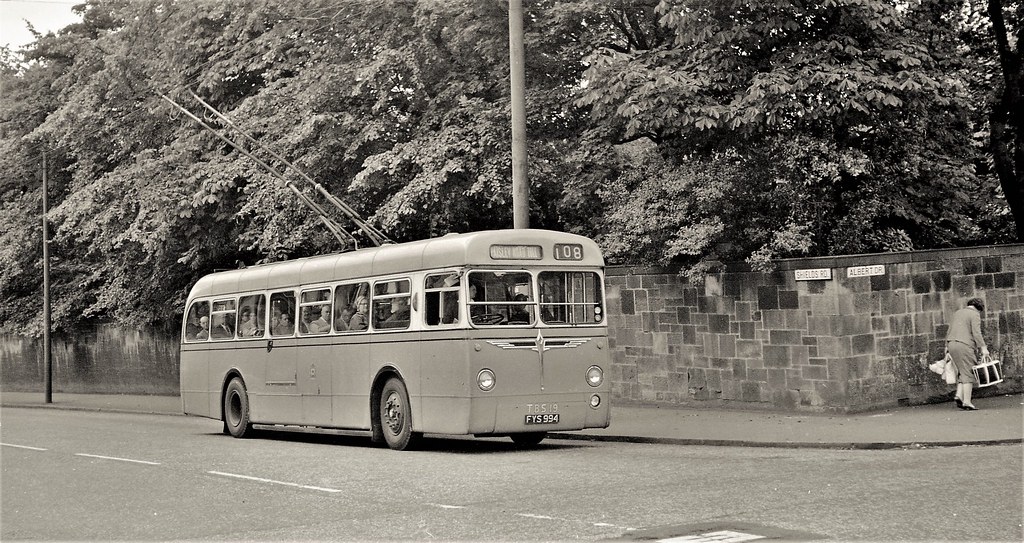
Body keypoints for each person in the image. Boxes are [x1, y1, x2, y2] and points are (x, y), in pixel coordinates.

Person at [945, 298, 990, 411]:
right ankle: (967, 402)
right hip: (964, 344)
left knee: (962, 370)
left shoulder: (958, 313)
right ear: (979, 308)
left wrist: (946, 348)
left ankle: (959, 396)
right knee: (969, 371)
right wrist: (983, 348)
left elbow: (949, 330)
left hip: (951, 343)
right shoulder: (974, 314)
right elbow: (976, 332)